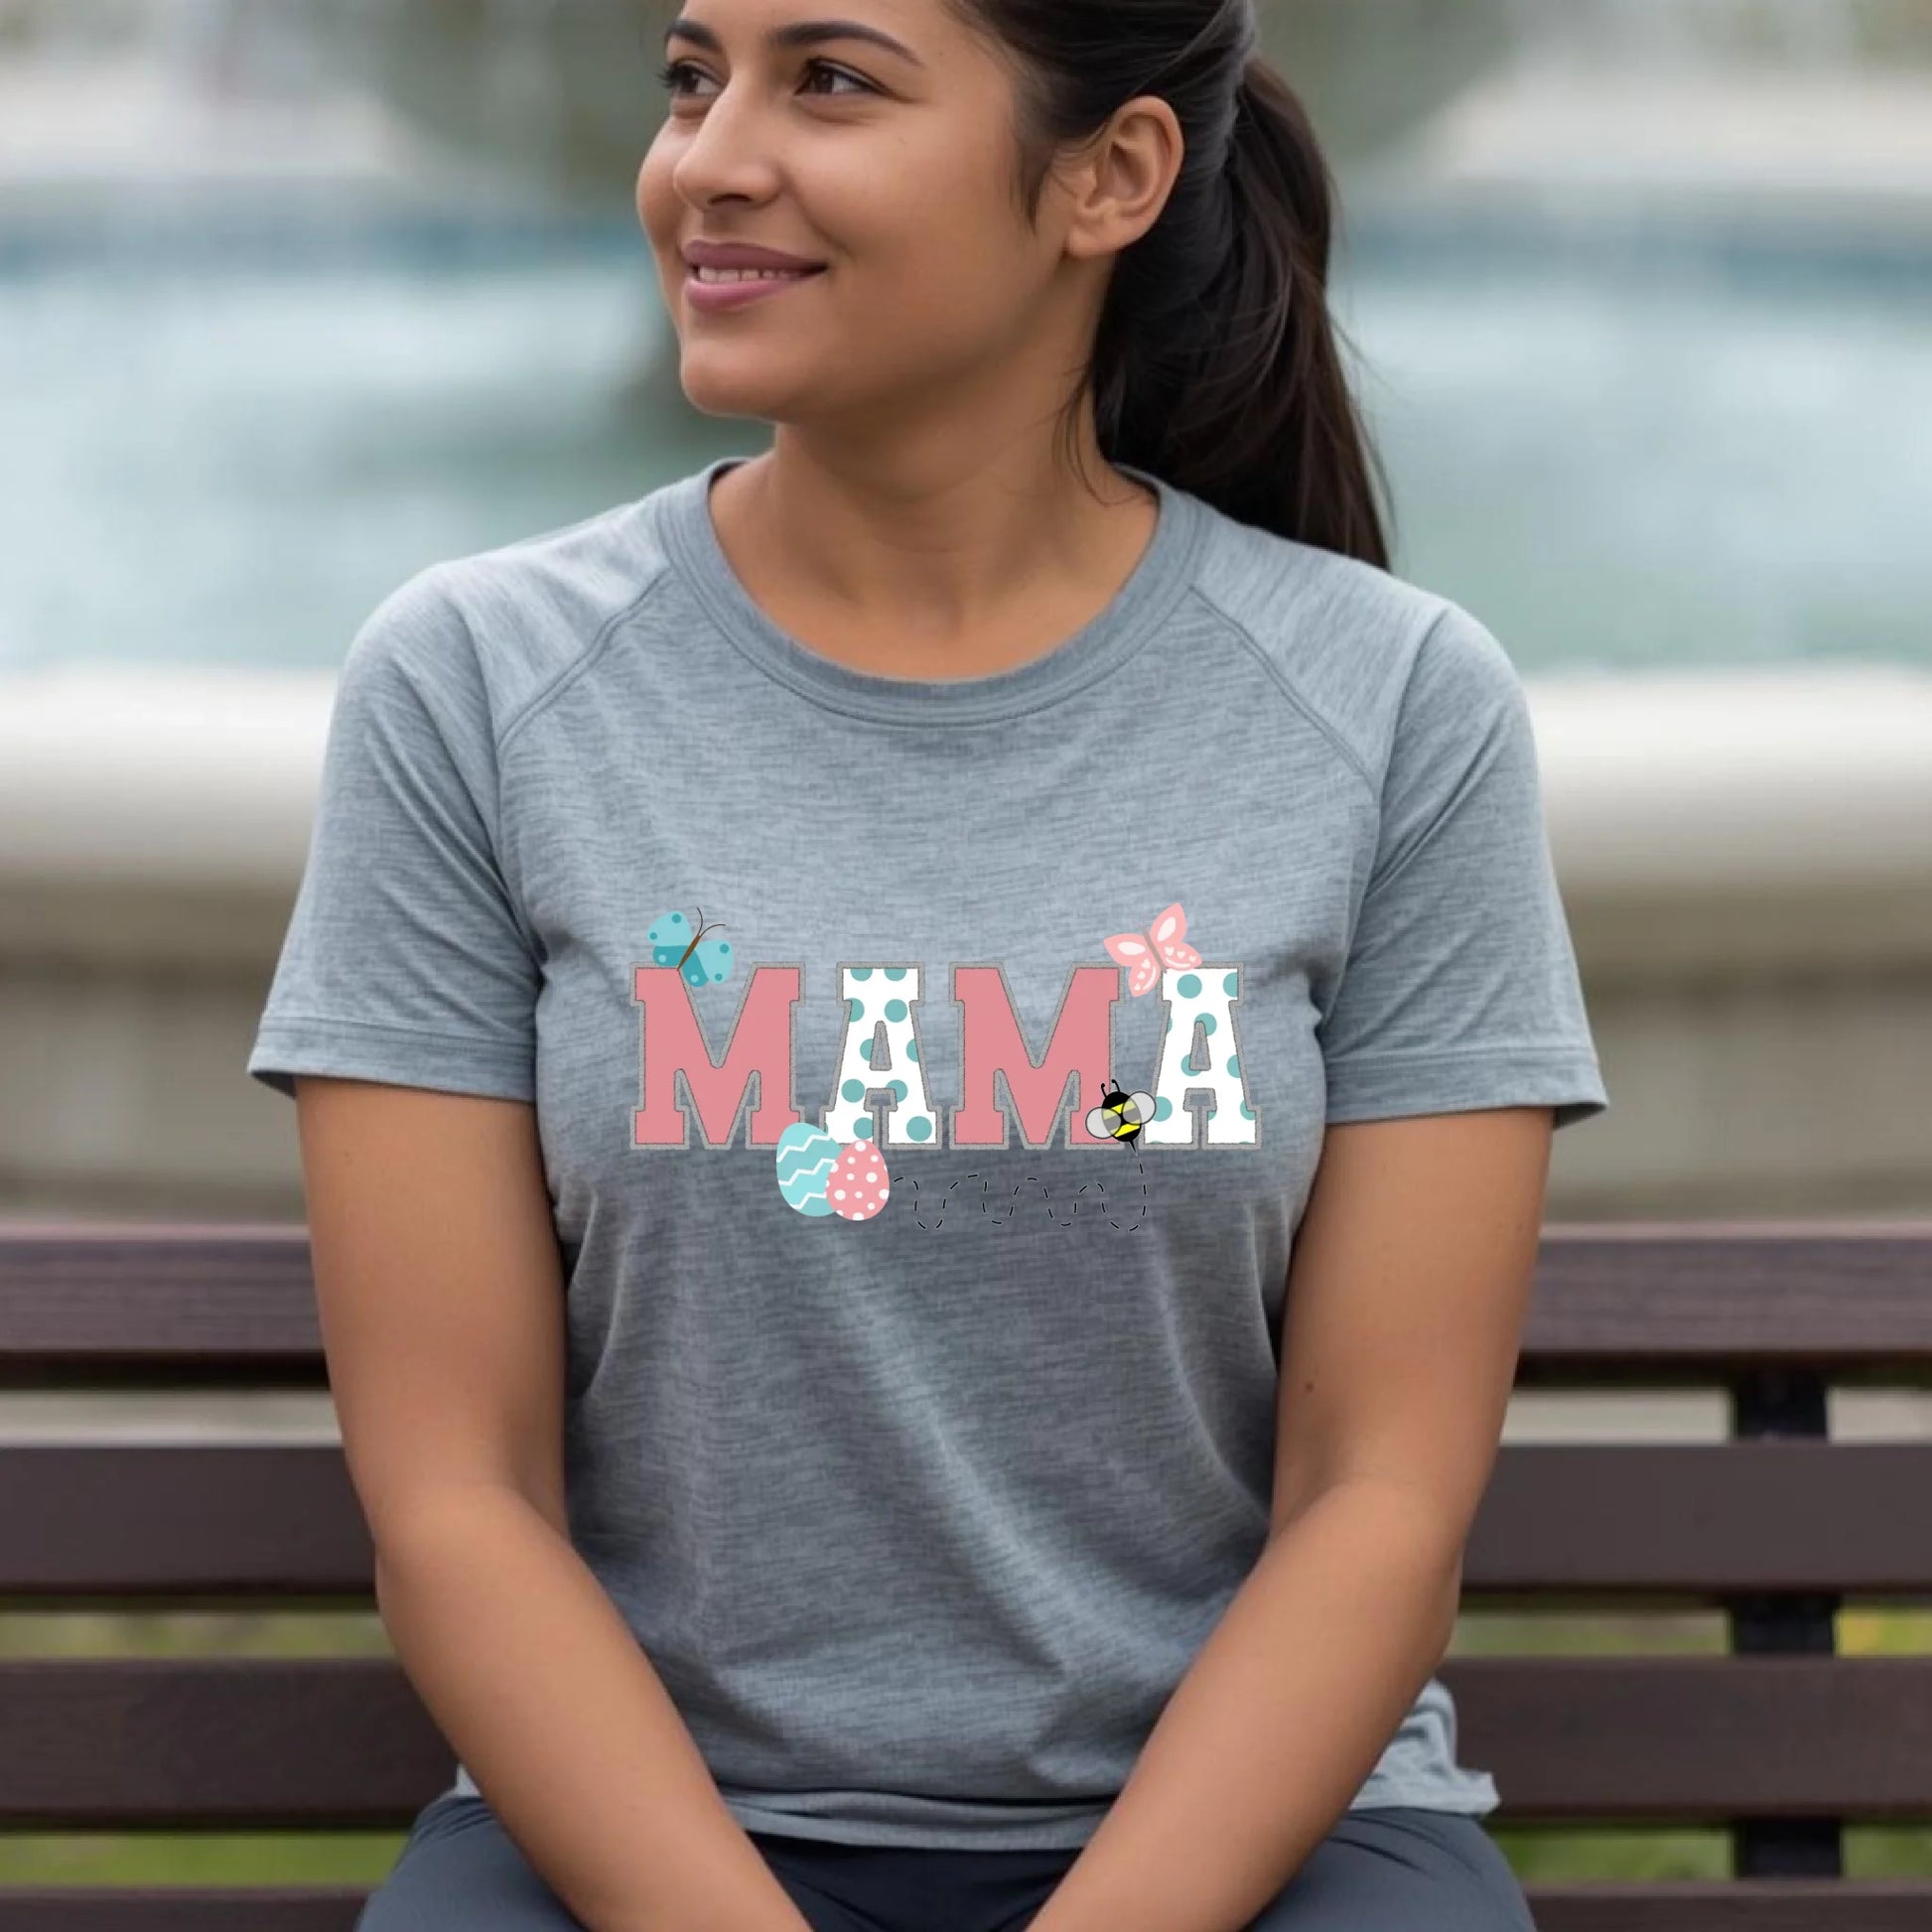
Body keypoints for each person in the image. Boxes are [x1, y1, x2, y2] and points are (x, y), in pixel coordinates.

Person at [246, 1, 1609, 1926]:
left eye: (829, 80)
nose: (708, 160)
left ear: (1109, 176)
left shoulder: (1395, 708)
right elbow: (459, 1495)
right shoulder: (471, 686)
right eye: (690, 78)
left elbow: (1376, 1495)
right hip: (645, 1841)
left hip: (1254, 1844)